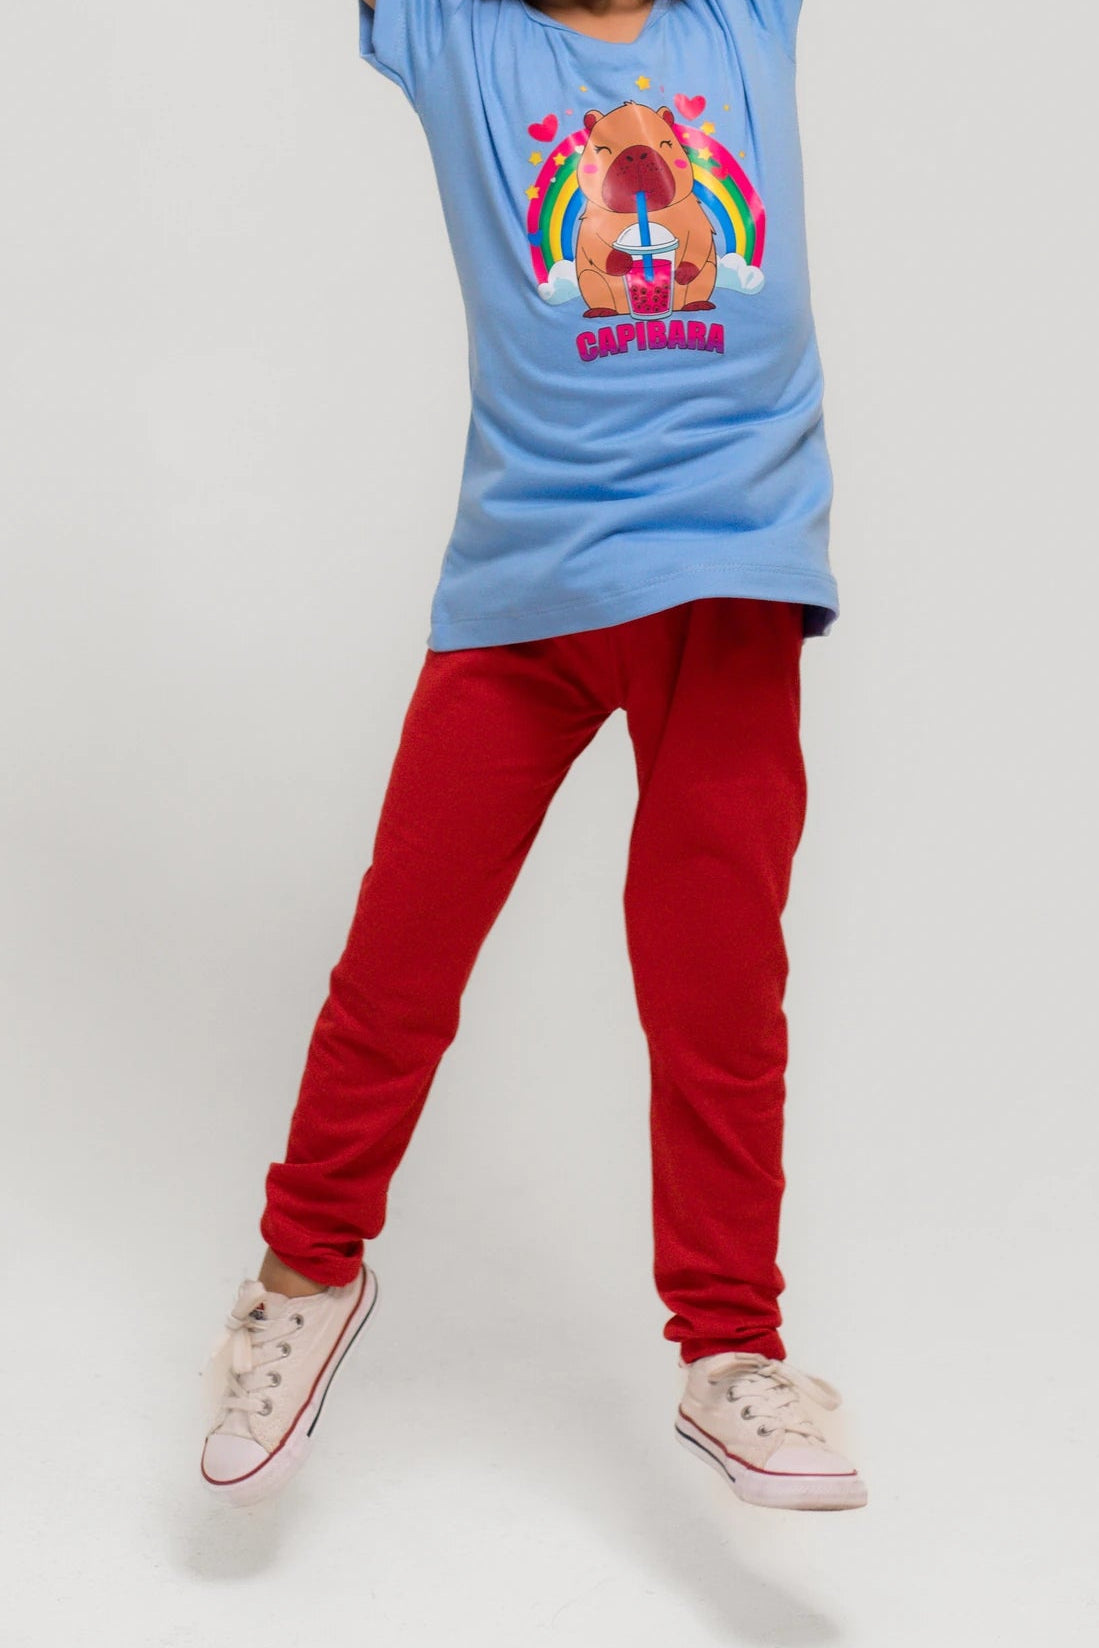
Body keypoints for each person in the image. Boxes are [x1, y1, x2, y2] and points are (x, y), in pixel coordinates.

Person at [199, 0, 868, 1514]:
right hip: (524, 595)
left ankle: (733, 1349)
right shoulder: (460, 39)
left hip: (729, 580)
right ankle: (305, 1272)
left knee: (715, 984)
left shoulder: (738, 21)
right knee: (399, 960)